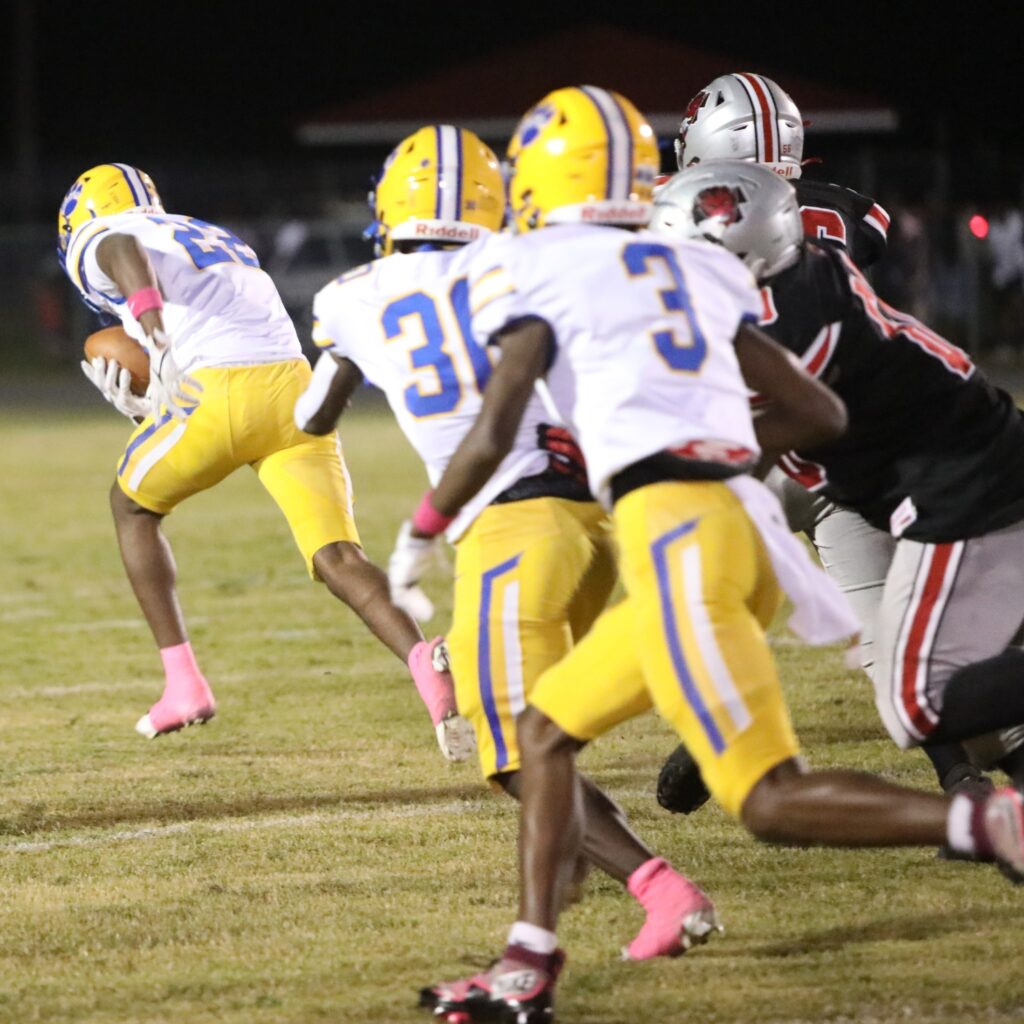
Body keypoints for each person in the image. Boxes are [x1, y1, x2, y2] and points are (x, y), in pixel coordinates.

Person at [410, 87, 1024, 1024]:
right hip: (722, 530)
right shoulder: (711, 277)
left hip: (696, 540)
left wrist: (419, 532)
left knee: (773, 798)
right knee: (541, 733)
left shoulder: (574, 273)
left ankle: (987, 819)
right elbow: (816, 417)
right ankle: (526, 965)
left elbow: (495, 422)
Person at [293, 127, 721, 999]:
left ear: (388, 205)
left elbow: (312, 416)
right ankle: (570, 872)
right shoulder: (526, 264)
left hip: (508, 529)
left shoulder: (350, 296)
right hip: (597, 520)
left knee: (519, 754)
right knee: (545, 730)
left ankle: (660, 891)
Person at [656, 72, 994, 811]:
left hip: (794, 445)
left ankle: (722, 722)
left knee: (704, 574)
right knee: (888, 644)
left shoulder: (689, 216)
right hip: (844, 451)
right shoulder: (847, 212)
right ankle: (962, 781)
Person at [57, 163, 473, 761]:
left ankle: (184, 685)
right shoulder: (203, 232)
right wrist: (160, 380)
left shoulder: (110, 233)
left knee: (131, 506)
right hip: (296, 391)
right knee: (337, 555)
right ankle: (428, 672)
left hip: (223, 393)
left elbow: (119, 244)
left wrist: (152, 328)